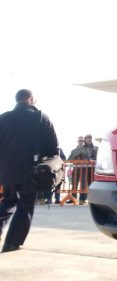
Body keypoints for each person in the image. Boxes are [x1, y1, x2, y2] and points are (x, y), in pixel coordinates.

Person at [0, 89, 59, 252]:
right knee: (25, 205)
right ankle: (11, 243)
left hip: (6, 170)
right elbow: (52, 147)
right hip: (31, 170)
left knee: (8, 201)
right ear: (30, 99)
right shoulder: (40, 118)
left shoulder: (3, 118)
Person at [69, 134, 98, 204]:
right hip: (83, 169)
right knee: (83, 184)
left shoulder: (96, 148)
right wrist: (78, 153)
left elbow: (99, 157)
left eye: (90, 137)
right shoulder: (81, 148)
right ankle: (82, 200)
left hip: (93, 169)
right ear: (85, 139)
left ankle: (93, 200)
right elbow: (71, 158)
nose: (89, 139)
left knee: (92, 185)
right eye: (88, 138)